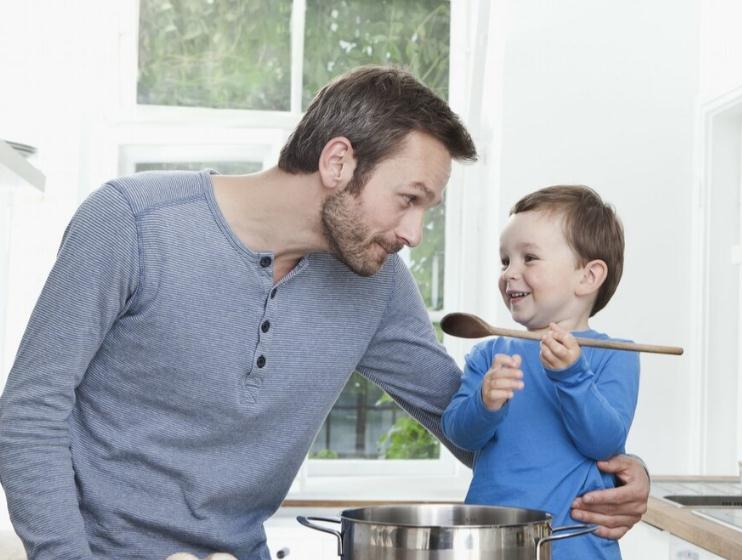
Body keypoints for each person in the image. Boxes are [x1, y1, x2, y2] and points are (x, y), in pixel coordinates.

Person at [0, 66, 649, 560]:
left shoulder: (376, 284)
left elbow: (471, 423)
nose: (414, 233)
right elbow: (31, 410)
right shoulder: (132, 222)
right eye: (408, 199)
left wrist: (614, 470)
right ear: (338, 162)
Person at [441, 185, 639, 559]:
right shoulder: (489, 354)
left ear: (588, 277)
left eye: (529, 258)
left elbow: (604, 445)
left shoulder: (615, 355)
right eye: (505, 261)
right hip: (489, 546)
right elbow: (459, 433)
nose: (510, 273)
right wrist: (484, 403)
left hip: (576, 549)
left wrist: (572, 376)